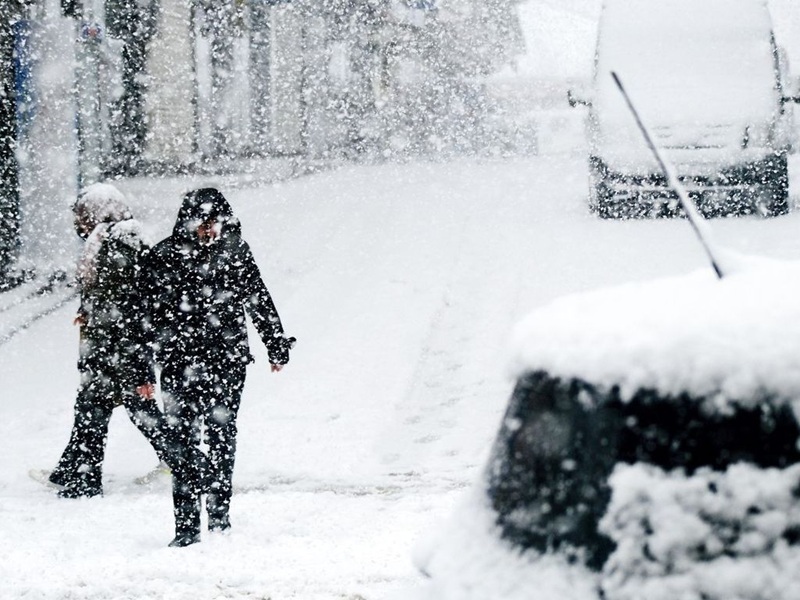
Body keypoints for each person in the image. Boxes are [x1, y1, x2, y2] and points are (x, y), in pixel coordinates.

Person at [138, 187, 294, 547]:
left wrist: (275, 344)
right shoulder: (164, 256)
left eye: (215, 223)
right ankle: (187, 525)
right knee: (180, 439)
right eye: (202, 223)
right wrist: (143, 371)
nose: (208, 230)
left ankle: (220, 517)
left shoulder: (235, 252)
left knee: (222, 434)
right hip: (178, 363)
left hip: (227, 360)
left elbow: (258, 296)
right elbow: (142, 318)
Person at [46, 183, 176, 498]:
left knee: (98, 409)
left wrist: (135, 357)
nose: (78, 222)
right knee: (103, 408)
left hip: (116, 348)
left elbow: (130, 302)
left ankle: (85, 480)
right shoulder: (108, 240)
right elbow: (109, 294)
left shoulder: (118, 244)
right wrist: (88, 310)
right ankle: (74, 472)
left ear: (100, 211)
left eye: (82, 214)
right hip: (109, 346)